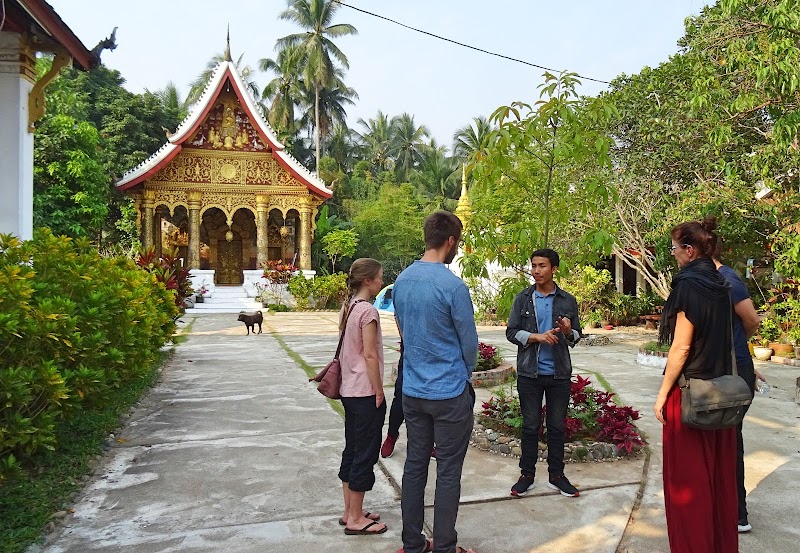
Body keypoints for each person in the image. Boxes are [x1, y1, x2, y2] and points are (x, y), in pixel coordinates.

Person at [393, 211, 478, 553]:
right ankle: (444, 546)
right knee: (447, 471)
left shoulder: (402, 281)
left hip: (413, 391)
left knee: (414, 467)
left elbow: (403, 330)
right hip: (449, 393)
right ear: (451, 242)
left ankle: (413, 544)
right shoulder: (453, 286)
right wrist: (464, 372)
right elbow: (468, 343)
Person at [654, 216, 738, 552]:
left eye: (674, 248)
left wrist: (662, 396)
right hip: (720, 392)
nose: (673, 254)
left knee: (688, 487)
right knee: (717, 482)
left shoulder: (688, 284)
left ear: (689, 250)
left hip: (690, 395)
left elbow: (682, 346)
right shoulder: (720, 282)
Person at [506, 248, 582, 498]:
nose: (536, 271)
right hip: (530, 373)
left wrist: (569, 331)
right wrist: (536, 337)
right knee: (530, 426)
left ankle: (556, 476)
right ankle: (526, 475)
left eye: (542, 266)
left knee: (557, 427)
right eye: (534, 265)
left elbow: (576, 337)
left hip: (558, 374)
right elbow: (511, 332)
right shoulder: (523, 298)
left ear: (554, 269)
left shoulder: (567, 300)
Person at [713, 241, 764, 533]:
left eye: (676, 248)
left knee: (731, 440)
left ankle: (737, 512)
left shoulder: (728, 280)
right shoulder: (709, 279)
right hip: (723, 367)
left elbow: (751, 320)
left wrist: (738, 351)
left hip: (733, 370)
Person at [337, 258, 388, 536]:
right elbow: (369, 354)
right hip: (365, 392)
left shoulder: (349, 307)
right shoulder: (368, 311)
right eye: (379, 277)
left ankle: (349, 511)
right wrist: (379, 390)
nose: (382, 282)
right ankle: (356, 518)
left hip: (348, 390)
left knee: (352, 449)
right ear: (368, 281)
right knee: (365, 454)